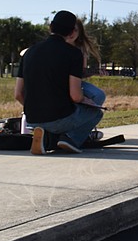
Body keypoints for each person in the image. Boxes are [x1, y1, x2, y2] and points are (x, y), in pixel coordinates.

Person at [15, 11, 104, 155]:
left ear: (50, 27)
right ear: (72, 32)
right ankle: (70, 139)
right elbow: (76, 96)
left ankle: (45, 136)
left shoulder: (29, 53)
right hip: (59, 118)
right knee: (96, 113)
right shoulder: (74, 54)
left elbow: (18, 94)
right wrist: (87, 101)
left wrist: (35, 110)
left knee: (51, 119)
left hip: (32, 119)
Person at [73, 18, 107, 108]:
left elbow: (82, 72)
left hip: (75, 82)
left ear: (80, 32)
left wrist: (96, 71)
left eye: (75, 30)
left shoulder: (81, 49)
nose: (72, 33)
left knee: (98, 95)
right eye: (70, 30)